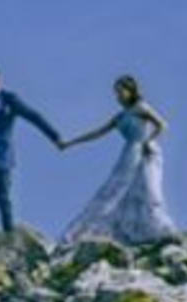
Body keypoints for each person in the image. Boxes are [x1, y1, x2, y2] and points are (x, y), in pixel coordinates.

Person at [57, 74, 176, 245]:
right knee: (116, 190)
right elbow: (97, 133)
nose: (118, 96)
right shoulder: (120, 117)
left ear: (131, 91)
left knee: (148, 189)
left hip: (145, 150)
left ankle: (156, 230)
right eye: (116, 93)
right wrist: (70, 143)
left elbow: (162, 125)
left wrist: (149, 141)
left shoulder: (141, 107)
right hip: (129, 154)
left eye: (121, 92)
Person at [0, 62, 66, 237]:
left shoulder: (10, 99)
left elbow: (34, 117)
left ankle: (9, 233)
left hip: (1, 155)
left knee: (3, 197)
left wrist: (55, 137)